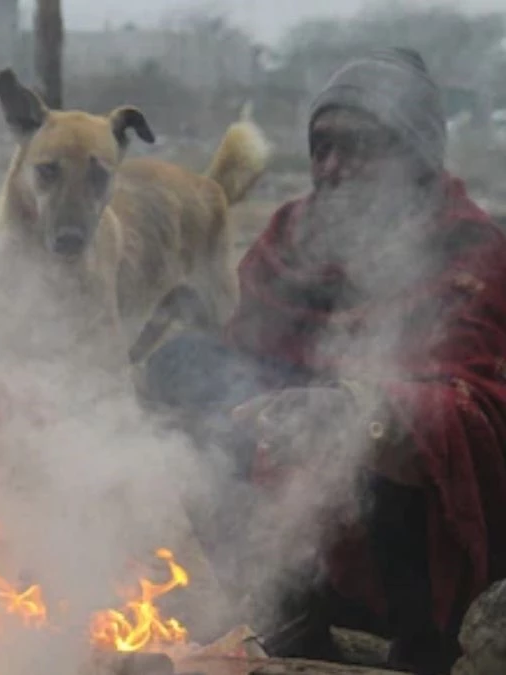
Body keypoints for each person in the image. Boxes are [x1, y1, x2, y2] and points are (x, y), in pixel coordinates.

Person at [142, 49, 506, 674]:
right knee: (188, 371)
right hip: (306, 508)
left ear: (413, 157)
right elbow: (246, 363)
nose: (332, 167)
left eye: (358, 147)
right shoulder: (290, 237)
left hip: (433, 526)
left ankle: (429, 645)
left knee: (396, 428)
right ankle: (293, 609)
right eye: (321, 147)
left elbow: (473, 404)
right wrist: (263, 408)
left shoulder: (468, 247)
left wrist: (358, 412)